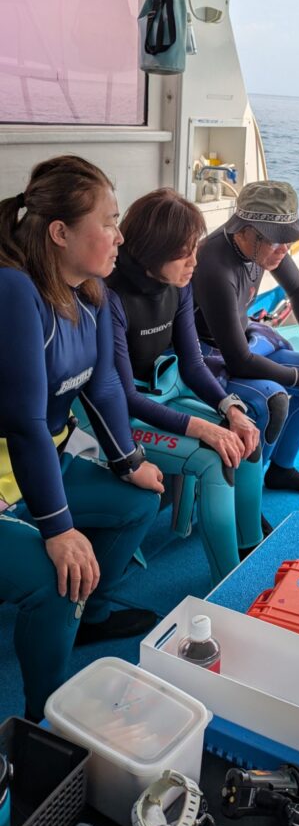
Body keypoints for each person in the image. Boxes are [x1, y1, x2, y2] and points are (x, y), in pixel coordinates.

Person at [0, 155, 165, 722]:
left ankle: (88, 617)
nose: (120, 236)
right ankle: (42, 722)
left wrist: (129, 462)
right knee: (56, 576)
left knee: (139, 500)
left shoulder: (90, 292)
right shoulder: (14, 291)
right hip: (9, 471)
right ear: (60, 233)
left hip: (39, 462)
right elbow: (24, 421)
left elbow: (105, 387)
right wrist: (59, 528)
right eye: (109, 222)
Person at [106, 189, 264, 583]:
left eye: (196, 249)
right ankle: (229, 583)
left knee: (245, 435)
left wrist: (230, 409)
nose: (195, 261)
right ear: (152, 251)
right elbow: (125, 397)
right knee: (215, 458)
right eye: (184, 253)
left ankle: (252, 547)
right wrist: (204, 429)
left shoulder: (178, 285)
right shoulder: (110, 296)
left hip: (165, 389)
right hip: (118, 413)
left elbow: (192, 363)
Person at [193, 182, 299, 494]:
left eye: (288, 240)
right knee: (273, 400)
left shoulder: (265, 245)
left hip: (241, 342)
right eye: (277, 240)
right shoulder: (215, 267)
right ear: (245, 231)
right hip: (207, 356)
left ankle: (281, 470)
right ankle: (243, 497)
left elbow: (297, 289)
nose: (284, 249)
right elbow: (238, 362)